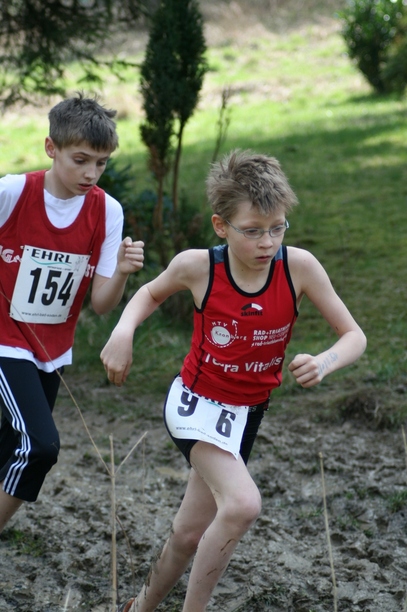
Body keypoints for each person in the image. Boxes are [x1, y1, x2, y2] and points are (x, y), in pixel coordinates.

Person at [101, 149, 366, 612]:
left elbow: (354, 336)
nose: (268, 242)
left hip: (247, 415)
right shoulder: (199, 266)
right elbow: (149, 293)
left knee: (188, 534)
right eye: (253, 231)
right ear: (221, 226)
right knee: (243, 505)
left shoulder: (299, 267)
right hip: (194, 404)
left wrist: (324, 362)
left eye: (278, 228)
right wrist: (123, 332)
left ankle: (137, 608)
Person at [0, 93, 144, 535]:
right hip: (5, 341)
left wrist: (121, 272)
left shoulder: (108, 211)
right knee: (39, 446)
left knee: (9, 443)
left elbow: (101, 303)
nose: (91, 173)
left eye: (101, 163)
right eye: (80, 160)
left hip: (52, 350)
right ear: (51, 148)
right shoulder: (11, 192)